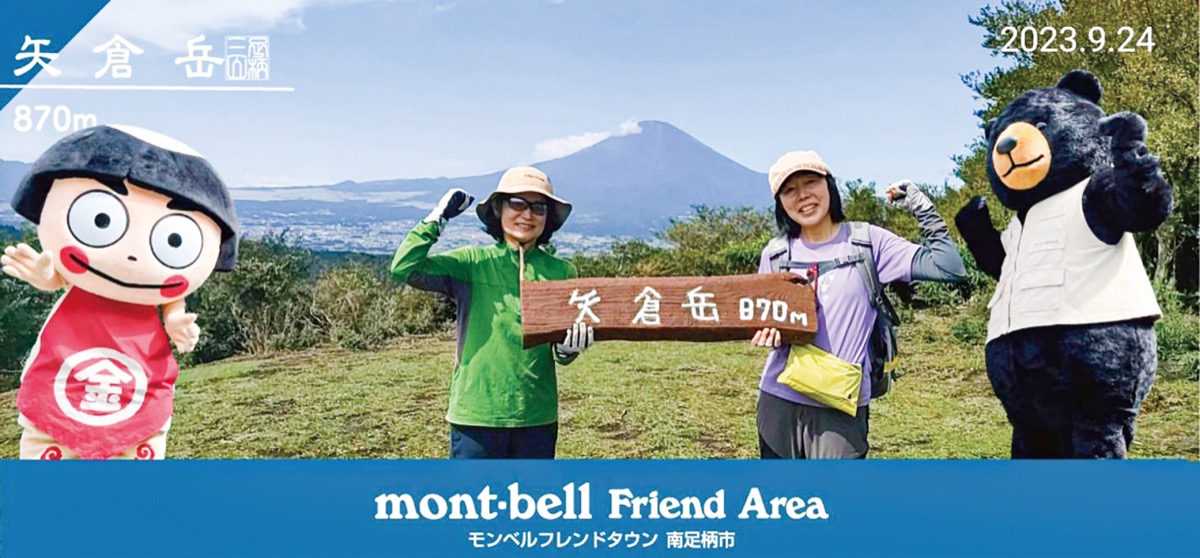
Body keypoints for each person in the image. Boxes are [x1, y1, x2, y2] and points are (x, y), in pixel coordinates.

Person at [2, 125, 239, 460]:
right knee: (51, 446)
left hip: (140, 380)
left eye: (174, 240)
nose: (132, 255)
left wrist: (175, 320)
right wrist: (48, 277)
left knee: (133, 452)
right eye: (100, 219)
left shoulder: (157, 293)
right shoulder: (85, 278)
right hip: (62, 373)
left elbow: (172, 300)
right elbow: (62, 279)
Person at [750, 151, 965, 459]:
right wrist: (768, 332)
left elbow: (949, 267)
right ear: (780, 203)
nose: (803, 195)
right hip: (779, 398)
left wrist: (923, 208)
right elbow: (764, 318)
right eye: (789, 190)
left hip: (840, 402)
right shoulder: (775, 254)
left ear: (829, 186)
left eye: (811, 182)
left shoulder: (867, 241)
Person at [390, 166, 593, 458]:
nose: (527, 214)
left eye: (538, 207)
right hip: (476, 413)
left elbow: (560, 351)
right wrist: (437, 218)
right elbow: (405, 268)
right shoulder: (473, 262)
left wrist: (567, 349)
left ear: (548, 217)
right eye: (517, 203)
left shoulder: (562, 272)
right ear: (498, 208)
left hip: (536, 415)